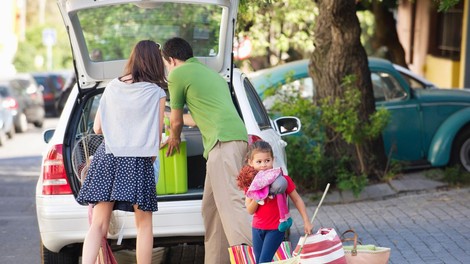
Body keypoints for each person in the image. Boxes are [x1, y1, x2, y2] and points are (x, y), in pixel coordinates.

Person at [161, 37, 252, 263]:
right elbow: (199, 116)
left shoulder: (177, 75)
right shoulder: (211, 75)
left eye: (165, 63)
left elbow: (177, 122)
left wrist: (173, 137)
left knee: (231, 203)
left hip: (223, 143)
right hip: (235, 139)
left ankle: (250, 257)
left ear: (171, 60)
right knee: (211, 209)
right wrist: (167, 119)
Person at [76, 40, 167, 264]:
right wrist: (150, 159)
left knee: (98, 224)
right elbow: (156, 136)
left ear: (133, 58)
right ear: (156, 63)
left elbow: (97, 128)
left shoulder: (112, 86)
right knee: (144, 225)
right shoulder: (156, 93)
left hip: (107, 157)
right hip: (138, 161)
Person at [239, 140, 313, 263]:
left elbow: (297, 199)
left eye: (267, 160)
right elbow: (250, 210)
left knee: (264, 261)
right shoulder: (251, 184)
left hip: (276, 228)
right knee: (259, 261)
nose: (263, 165)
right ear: (251, 163)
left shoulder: (282, 180)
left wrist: (306, 221)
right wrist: (260, 195)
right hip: (257, 228)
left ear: (273, 159)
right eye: (259, 161)